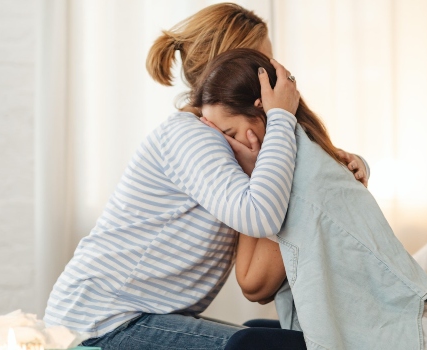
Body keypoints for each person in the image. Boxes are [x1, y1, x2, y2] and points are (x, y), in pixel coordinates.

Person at [45, 3, 365, 349]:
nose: (274, 79)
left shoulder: (228, 140)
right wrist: (282, 118)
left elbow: (285, 186)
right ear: (230, 69)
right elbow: (260, 215)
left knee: (280, 339)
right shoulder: (192, 137)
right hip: (101, 322)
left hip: (139, 316)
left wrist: (349, 162)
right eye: (264, 68)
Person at [197, 49, 427, 350]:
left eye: (228, 133)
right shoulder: (302, 152)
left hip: (415, 341)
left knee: (246, 343)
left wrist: (250, 176)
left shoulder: (299, 173)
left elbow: (254, 284)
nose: (225, 149)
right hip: (392, 332)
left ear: (262, 111)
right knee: (252, 329)